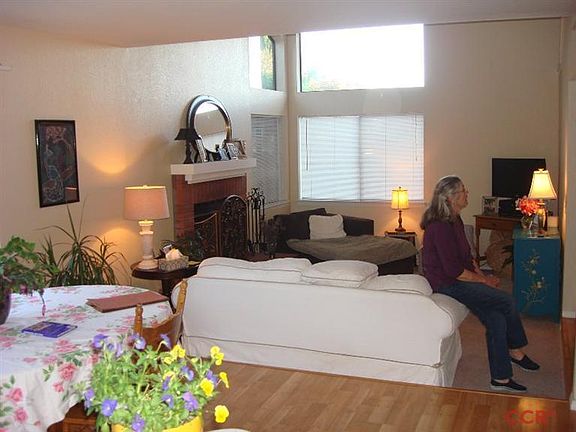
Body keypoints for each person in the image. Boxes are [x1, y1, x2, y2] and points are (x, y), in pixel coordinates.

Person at [420, 175, 539, 392]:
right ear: (451, 198)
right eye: (463, 191)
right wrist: (484, 280)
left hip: (458, 278)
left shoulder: (455, 219)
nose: (467, 193)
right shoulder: (439, 227)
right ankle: (515, 351)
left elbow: (467, 257)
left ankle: (500, 379)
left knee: (496, 318)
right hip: (446, 284)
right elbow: (454, 271)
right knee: (506, 300)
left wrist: (481, 275)